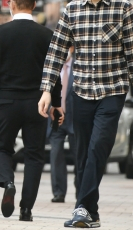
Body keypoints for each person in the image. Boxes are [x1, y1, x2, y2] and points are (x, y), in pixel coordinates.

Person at [41, 0, 133, 228]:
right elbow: (56, 52)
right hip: (81, 92)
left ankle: (80, 209)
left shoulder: (123, 8)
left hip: (112, 90)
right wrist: (45, 91)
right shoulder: (72, 9)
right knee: (82, 153)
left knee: (99, 147)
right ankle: (91, 212)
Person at [0, 0, 63, 222]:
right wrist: (56, 103)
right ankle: (26, 209)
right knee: (34, 155)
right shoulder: (46, 35)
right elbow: (55, 73)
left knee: (2, 148)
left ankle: (8, 181)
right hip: (37, 103)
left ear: (12, 4)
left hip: (6, 100)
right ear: (35, 5)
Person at [50, 47, 74, 203]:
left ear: (71, 49)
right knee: (56, 154)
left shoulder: (79, 66)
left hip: (75, 118)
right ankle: (59, 192)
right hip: (56, 117)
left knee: (79, 155)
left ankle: (81, 189)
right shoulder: (52, 67)